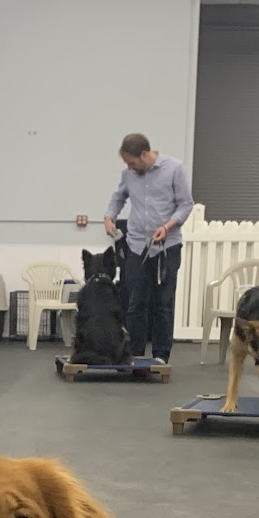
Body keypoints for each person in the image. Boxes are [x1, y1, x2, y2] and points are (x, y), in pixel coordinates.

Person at [102, 134, 193, 362]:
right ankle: (134, 353)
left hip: (167, 246)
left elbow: (185, 204)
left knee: (163, 303)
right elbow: (118, 198)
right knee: (135, 302)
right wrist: (109, 217)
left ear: (144, 155)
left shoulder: (174, 169)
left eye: (131, 163)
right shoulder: (128, 175)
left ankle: (161, 355)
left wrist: (168, 226)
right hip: (136, 245)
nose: (129, 167)